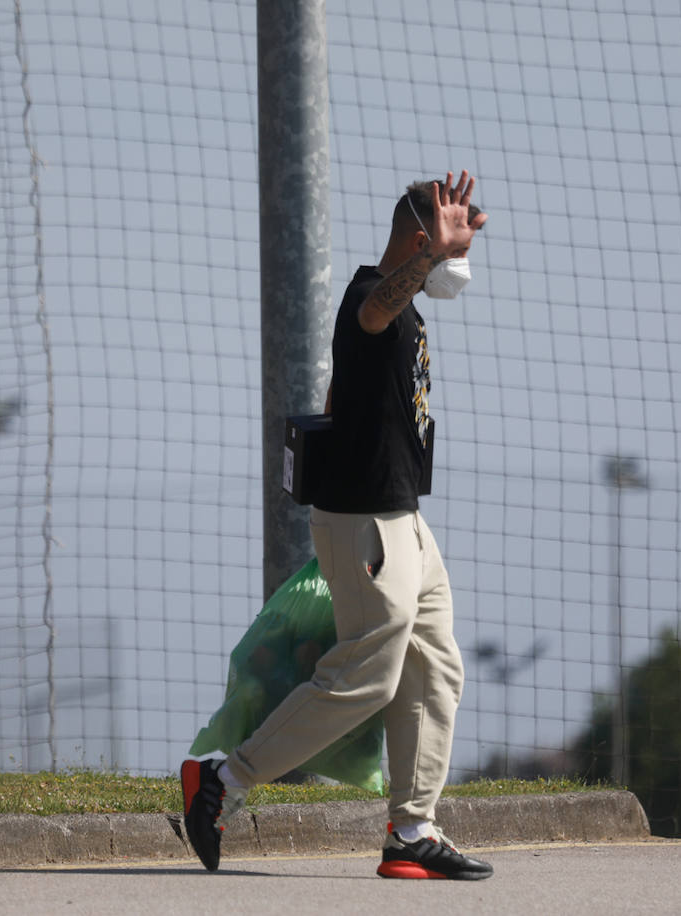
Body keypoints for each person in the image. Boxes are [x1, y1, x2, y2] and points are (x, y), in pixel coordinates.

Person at [182, 171, 491, 880]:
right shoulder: (371, 298)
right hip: (367, 527)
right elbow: (378, 309)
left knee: (437, 666)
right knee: (367, 678)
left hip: (402, 519)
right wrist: (428, 264)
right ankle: (221, 782)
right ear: (419, 240)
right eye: (448, 250)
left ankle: (412, 831)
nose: (455, 268)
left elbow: (339, 389)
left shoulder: (401, 314)